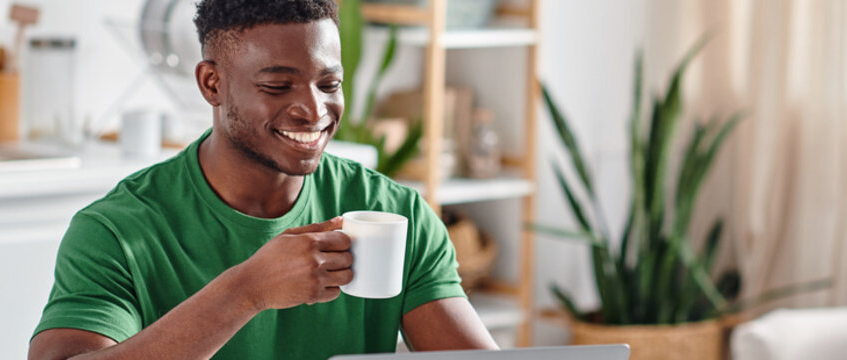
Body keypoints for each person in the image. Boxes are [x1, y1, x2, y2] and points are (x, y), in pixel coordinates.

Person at [28, 1, 498, 358]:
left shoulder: (393, 214)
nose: (314, 111)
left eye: (329, 84)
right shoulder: (117, 230)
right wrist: (246, 292)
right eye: (277, 86)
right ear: (212, 84)